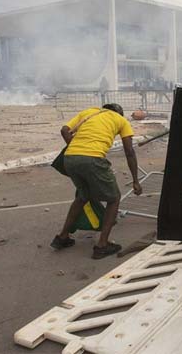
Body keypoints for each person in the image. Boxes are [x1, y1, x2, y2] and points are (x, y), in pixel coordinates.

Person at [51, 103, 142, 259]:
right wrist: (135, 180)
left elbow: (64, 130)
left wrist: (77, 148)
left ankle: (62, 237)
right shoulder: (121, 120)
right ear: (119, 113)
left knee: (82, 196)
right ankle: (102, 245)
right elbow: (129, 151)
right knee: (114, 199)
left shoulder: (89, 112)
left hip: (70, 158)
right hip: (93, 159)